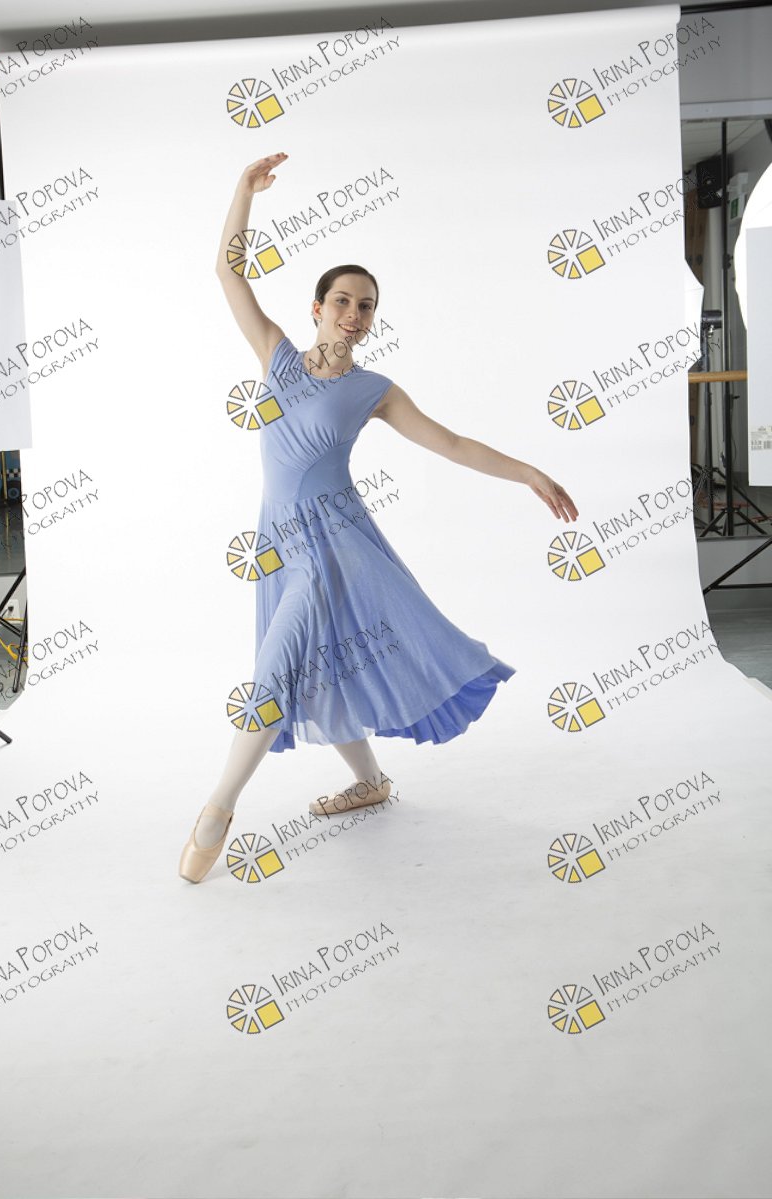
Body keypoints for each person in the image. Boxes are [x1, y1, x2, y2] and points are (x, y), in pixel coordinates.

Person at [179, 152, 578, 883]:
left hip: (334, 548)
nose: (354, 314)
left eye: (366, 306)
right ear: (317, 307)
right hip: (279, 543)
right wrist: (243, 192)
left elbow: (450, 443)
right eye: (342, 300)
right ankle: (369, 782)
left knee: (275, 671)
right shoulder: (277, 358)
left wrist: (528, 471)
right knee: (324, 663)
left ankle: (218, 809)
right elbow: (227, 273)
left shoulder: (374, 389)